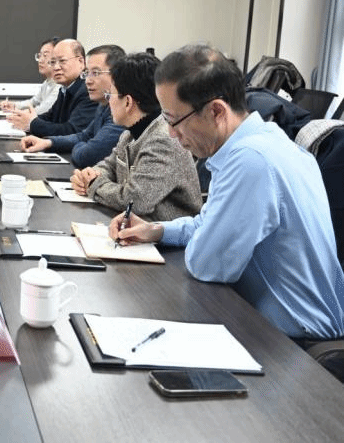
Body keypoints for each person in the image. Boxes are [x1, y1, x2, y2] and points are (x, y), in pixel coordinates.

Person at [111, 44, 344, 341]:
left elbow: (207, 264)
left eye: (173, 120)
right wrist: (156, 230)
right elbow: (207, 223)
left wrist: (201, 237)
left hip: (293, 341)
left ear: (216, 111)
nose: (171, 133)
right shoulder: (263, 141)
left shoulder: (251, 162)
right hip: (277, 323)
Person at [72, 52, 202, 222]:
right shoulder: (129, 134)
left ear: (128, 102)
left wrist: (92, 184)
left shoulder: (163, 140)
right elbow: (109, 166)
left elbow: (135, 201)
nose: (108, 102)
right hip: (138, 227)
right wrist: (90, 175)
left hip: (165, 235)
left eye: (110, 95)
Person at [20, 44, 126, 168]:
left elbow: (87, 156)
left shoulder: (121, 112)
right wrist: (48, 143)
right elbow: (83, 136)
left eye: (96, 73)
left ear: (117, 75)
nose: (88, 80)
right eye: (87, 73)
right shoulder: (103, 104)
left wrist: (82, 145)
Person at [7, 39, 97, 136]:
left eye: (62, 61)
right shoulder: (64, 89)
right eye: (53, 62)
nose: (56, 67)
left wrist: (31, 124)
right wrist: (25, 119)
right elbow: (50, 117)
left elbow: (72, 131)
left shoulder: (89, 91)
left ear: (81, 62)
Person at [0, 38, 59, 115]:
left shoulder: (60, 85)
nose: (40, 60)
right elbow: (33, 102)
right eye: (40, 56)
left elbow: (44, 109)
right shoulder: (47, 83)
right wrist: (14, 106)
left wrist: (18, 112)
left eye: (45, 56)